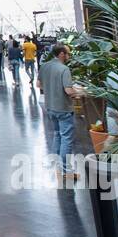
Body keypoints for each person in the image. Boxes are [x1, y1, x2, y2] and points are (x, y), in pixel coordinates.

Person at [38, 43, 81, 177]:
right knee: (66, 139)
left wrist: (52, 88)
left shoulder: (44, 66)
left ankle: (58, 168)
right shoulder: (64, 69)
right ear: (61, 54)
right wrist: (80, 93)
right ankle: (67, 171)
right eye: (67, 53)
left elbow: (38, 84)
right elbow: (68, 90)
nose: (69, 56)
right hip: (63, 108)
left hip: (50, 106)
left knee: (57, 135)